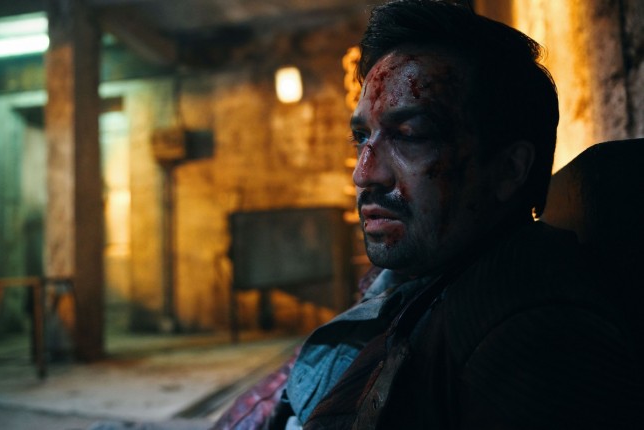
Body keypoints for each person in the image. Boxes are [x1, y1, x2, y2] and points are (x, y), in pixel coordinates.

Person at [214, 0, 643, 428]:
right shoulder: (423, 276)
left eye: (410, 135)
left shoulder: (535, 339)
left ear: (509, 169)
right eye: (361, 137)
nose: (364, 174)